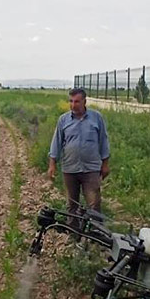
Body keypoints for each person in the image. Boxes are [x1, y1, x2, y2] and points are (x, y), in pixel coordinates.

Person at [48, 88, 110, 219]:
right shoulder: (63, 120)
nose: (73, 105)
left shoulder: (96, 118)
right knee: (72, 204)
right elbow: (56, 142)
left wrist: (105, 164)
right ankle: (74, 234)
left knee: (94, 204)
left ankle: (95, 234)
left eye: (77, 101)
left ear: (85, 101)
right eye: (71, 101)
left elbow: (103, 141)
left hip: (91, 169)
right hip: (70, 168)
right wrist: (52, 164)